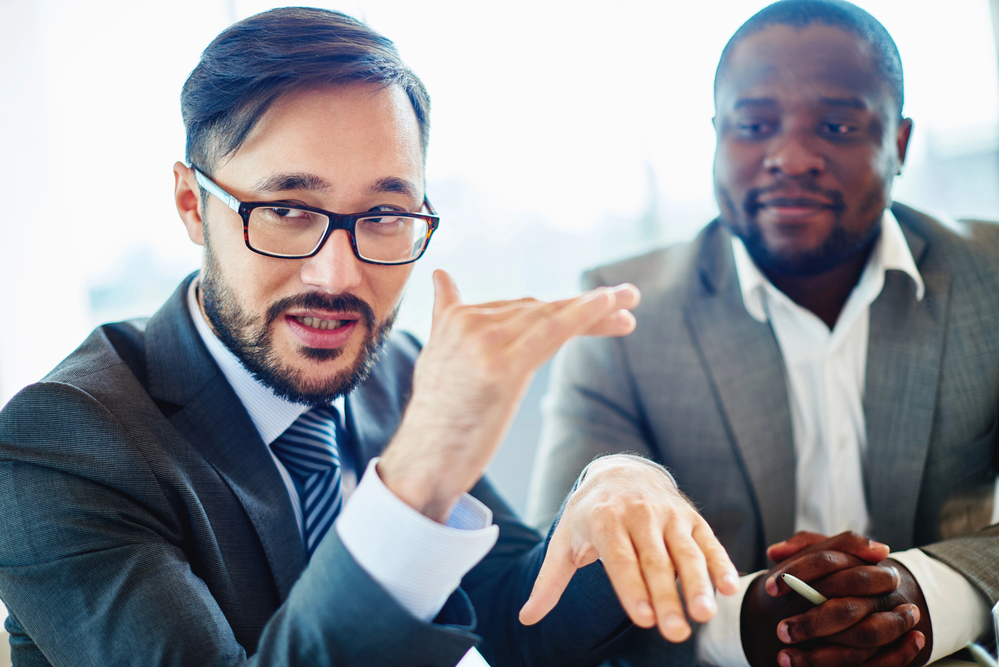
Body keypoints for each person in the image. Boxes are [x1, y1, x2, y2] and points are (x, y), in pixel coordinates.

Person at [0, 8, 739, 667]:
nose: (337, 273)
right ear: (193, 205)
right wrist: (414, 482)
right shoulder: (60, 443)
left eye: (384, 215)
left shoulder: (397, 371)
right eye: (288, 209)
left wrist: (614, 485)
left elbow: (515, 622)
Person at [526, 1, 999, 666]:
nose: (790, 157)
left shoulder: (990, 279)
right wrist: (742, 619)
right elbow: (557, 573)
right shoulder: (621, 313)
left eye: (835, 124)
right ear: (717, 136)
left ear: (896, 143)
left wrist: (927, 594)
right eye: (753, 125)